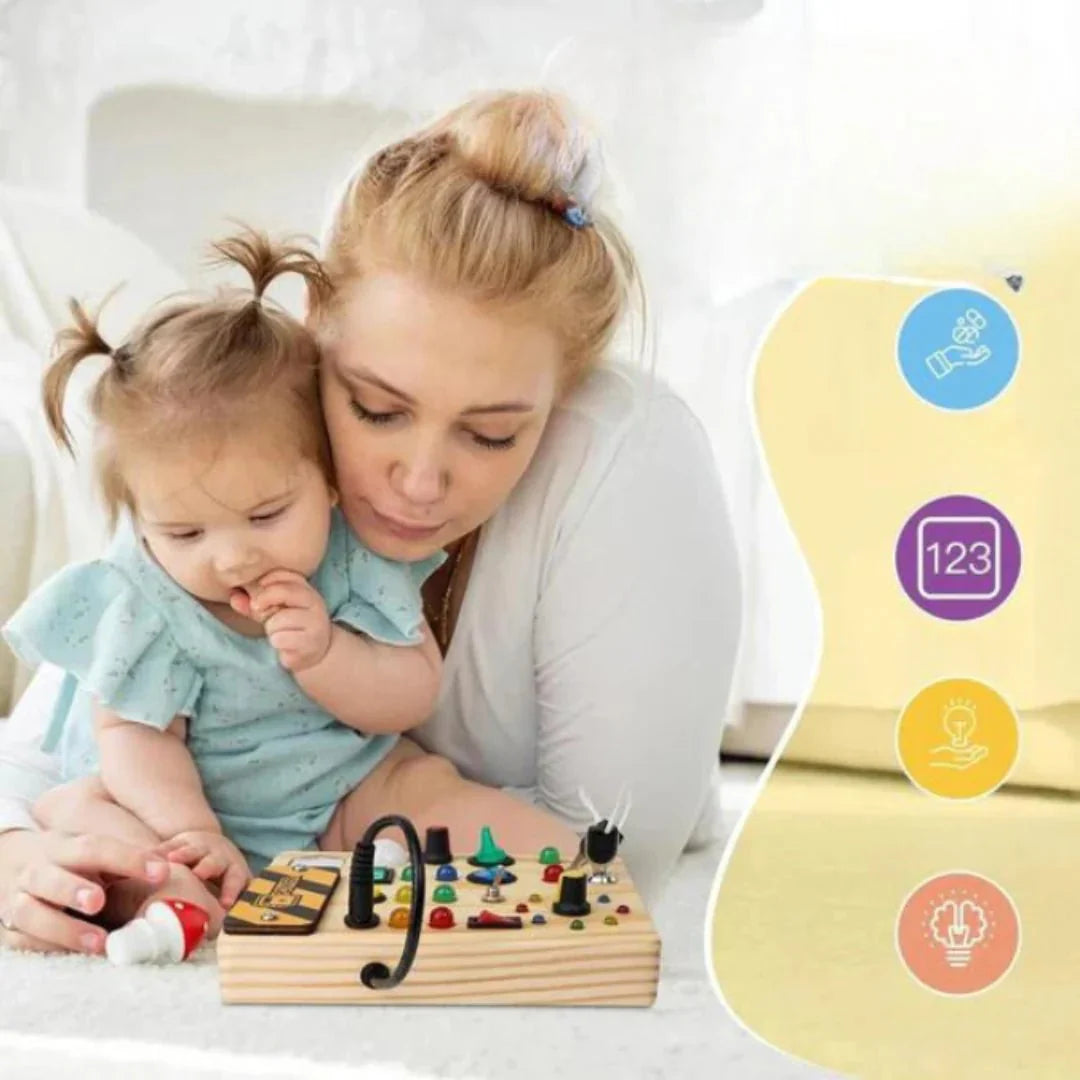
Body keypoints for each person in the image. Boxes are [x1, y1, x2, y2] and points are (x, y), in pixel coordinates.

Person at [0, 89, 741, 954]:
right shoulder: (241, 455)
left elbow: (612, 871)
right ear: (312, 339)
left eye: (490, 433)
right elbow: (52, 746)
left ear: (560, 403)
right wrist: (26, 856)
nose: (420, 482)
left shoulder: (624, 462)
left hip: (369, 795)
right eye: (377, 410)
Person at [2, 226, 579, 935]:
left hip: (341, 786)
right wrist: (196, 833)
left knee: (422, 788)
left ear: (328, 479)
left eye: (267, 514)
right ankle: (175, 900)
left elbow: (409, 693)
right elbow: (134, 738)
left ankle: (561, 864)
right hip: (174, 803)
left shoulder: (351, 558)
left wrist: (327, 655)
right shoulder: (143, 599)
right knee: (108, 828)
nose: (231, 557)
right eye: (185, 533)